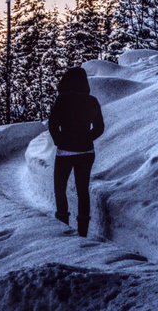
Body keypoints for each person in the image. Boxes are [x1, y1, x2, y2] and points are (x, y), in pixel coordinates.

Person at [47, 66, 104, 237]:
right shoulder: (92, 101)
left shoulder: (62, 100)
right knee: (82, 190)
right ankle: (83, 231)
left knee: (60, 188)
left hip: (65, 152)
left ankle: (63, 225)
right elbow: (100, 127)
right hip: (86, 152)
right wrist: (87, 138)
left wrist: (59, 140)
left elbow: (52, 124)